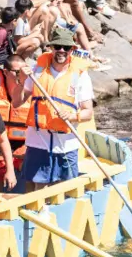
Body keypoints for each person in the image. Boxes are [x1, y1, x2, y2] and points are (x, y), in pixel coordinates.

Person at [15, 27, 93, 189]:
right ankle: (35, 213)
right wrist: (21, 80)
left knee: (66, 188)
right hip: (38, 141)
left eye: (66, 47)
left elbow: (88, 112)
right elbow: (17, 102)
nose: (61, 51)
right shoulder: (37, 71)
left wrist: (72, 116)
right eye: (57, 46)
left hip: (66, 143)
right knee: (35, 187)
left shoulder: (81, 76)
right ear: (51, 48)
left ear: (73, 49)